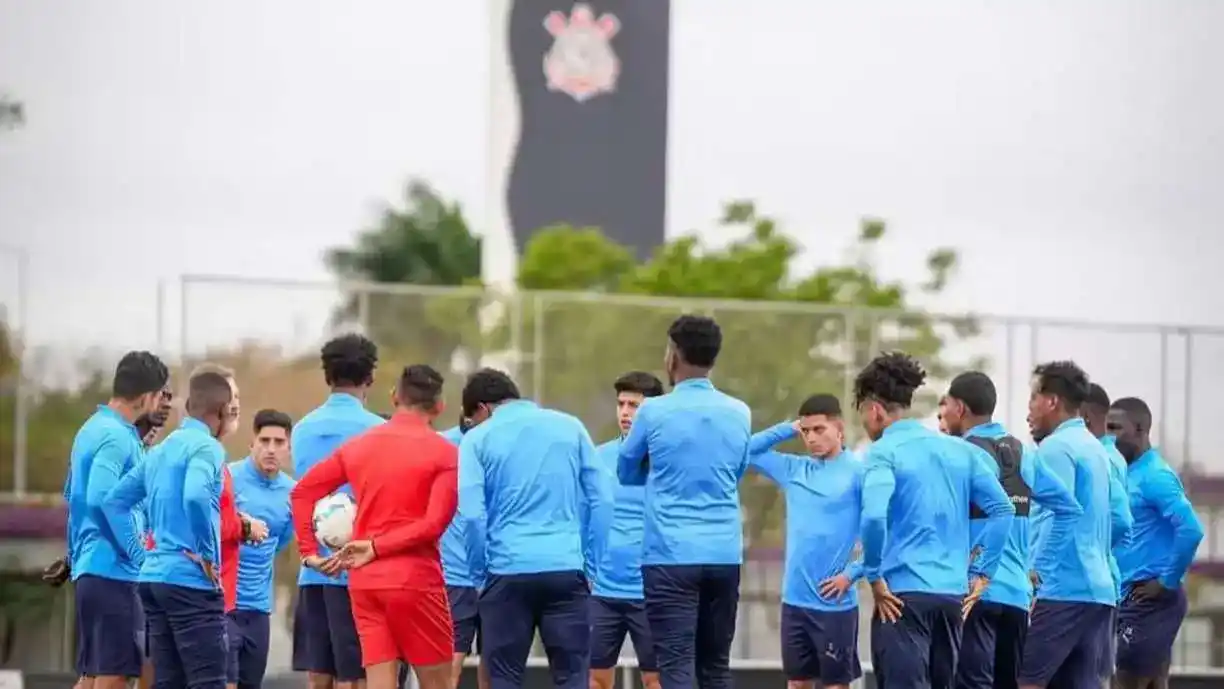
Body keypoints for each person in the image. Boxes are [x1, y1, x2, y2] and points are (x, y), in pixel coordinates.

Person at [291, 364, 460, 689]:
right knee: (439, 683)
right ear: (439, 407)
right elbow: (433, 524)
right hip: (415, 582)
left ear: (395, 397)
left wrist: (309, 554)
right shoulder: (445, 453)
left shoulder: (359, 446)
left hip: (365, 582)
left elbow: (302, 492)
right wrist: (378, 546)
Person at [855, 352, 1015, 689]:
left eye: (863, 416)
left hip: (900, 600)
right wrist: (981, 573)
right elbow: (1004, 510)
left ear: (875, 410)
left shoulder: (884, 451)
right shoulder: (961, 451)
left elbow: (872, 517)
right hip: (951, 599)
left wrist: (874, 576)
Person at [616, 315, 749, 689]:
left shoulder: (653, 411)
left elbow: (626, 469)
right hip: (724, 554)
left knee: (676, 666)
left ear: (673, 355)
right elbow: (735, 472)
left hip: (670, 556)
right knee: (716, 666)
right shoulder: (740, 412)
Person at [458, 368, 613, 689]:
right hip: (566, 569)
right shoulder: (570, 427)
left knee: (504, 678)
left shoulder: (477, 439)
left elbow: (472, 516)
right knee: (572, 676)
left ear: (483, 409)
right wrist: (590, 564)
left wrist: (478, 574)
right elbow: (602, 500)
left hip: (507, 571)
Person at [939, 371, 1082, 689]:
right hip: (1017, 597)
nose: (943, 412)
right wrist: (1038, 570)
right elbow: (1070, 509)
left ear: (960, 408)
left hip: (973, 595)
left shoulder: (960, 454)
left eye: (946, 404)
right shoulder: (1024, 454)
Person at [105, 369, 239, 689]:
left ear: (190, 405)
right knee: (208, 682)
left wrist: (141, 555)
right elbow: (194, 494)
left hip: (153, 579)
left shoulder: (161, 450)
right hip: (190, 582)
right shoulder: (207, 448)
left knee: (168, 682)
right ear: (220, 413)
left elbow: (114, 503)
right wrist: (208, 555)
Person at [1020, 361, 1130, 689]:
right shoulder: (1096, 449)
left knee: (1027, 682)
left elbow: (1062, 512)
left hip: (1060, 589)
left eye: (1033, 398)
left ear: (1051, 401)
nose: (1030, 408)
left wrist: (1037, 575)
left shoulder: (1056, 448)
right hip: (1098, 591)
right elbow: (1122, 518)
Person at [65, 351, 170, 689]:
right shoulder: (117, 437)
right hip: (114, 572)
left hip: (91, 570)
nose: (162, 404)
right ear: (145, 397)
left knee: (93, 674)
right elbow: (100, 498)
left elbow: (74, 499)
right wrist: (138, 556)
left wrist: (73, 557)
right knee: (114, 675)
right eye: (160, 396)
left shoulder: (91, 429)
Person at [748, 394, 864, 689]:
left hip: (834, 605)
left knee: (834, 686)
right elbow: (746, 451)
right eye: (806, 431)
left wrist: (851, 574)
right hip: (794, 601)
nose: (811, 438)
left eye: (819, 429)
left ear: (839, 428)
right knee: (797, 683)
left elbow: (886, 534)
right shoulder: (794, 469)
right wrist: (789, 428)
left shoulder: (859, 472)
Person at [292, 333, 385, 689]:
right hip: (361, 571)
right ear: (370, 378)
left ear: (327, 376)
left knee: (320, 675)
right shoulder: (378, 430)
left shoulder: (301, 430)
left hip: (315, 570)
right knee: (357, 675)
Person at [1109, 396, 1203, 689]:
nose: (1109, 436)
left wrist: (1166, 582)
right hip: (1128, 597)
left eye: (1116, 428)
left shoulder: (1156, 475)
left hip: (1149, 599)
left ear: (1139, 429)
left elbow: (1191, 529)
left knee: (1125, 682)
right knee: (1151, 683)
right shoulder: (1126, 472)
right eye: (1106, 428)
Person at [589, 372, 665, 689]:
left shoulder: (668, 463)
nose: (625, 412)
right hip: (603, 592)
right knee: (595, 680)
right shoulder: (599, 457)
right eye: (621, 403)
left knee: (656, 681)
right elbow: (585, 515)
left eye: (634, 405)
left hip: (652, 592)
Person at [230, 409, 298, 689]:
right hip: (222, 605)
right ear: (252, 443)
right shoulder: (227, 478)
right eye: (265, 441)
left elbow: (277, 542)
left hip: (259, 609)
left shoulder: (293, 493)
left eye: (279, 443)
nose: (271, 449)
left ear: (288, 449)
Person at [1079, 383, 1134, 686]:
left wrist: (1091, 547)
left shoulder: (1101, 457)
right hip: (1101, 581)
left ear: (1084, 414)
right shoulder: (1107, 455)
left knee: (1089, 677)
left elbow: (1122, 519)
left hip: (1089, 583)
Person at [436, 416, 489, 689]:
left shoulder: (502, 443)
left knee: (494, 668)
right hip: (455, 579)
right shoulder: (442, 445)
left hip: (497, 578)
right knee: (448, 668)